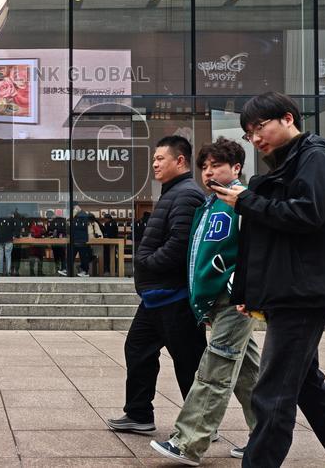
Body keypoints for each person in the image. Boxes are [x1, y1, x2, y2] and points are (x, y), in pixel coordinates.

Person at [212, 92, 325, 468]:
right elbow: (270, 240)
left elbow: (307, 215)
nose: (256, 138)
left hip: (304, 293)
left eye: (260, 127)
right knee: (307, 387)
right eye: (249, 133)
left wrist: (247, 202)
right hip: (290, 290)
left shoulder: (315, 157)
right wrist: (250, 292)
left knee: (273, 392)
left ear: (288, 118)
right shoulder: (286, 165)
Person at [149, 137, 260, 465]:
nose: (209, 173)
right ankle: (267, 434)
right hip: (220, 300)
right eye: (206, 167)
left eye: (217, 166)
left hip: (236, 299)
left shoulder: (243, 203)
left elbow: (254, 252)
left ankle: (188, 442)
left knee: (215, 368)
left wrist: (240, 291)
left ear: (236, 168)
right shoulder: (211, 204)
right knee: (248, 372)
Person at [107, 135, 206, 435]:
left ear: (180, 161)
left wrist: (146, 261)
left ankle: (201, 425)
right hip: (155, 298)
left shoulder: (187, 194)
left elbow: (180, 246)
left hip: (175, 296)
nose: (155, 164)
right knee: (137, 349)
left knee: (188, 362)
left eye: (160, 158)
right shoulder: (173, 193)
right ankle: (139, 414)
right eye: (154, 159)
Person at [70, 205, 92, 277]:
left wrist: (75, 212)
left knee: (82, 256)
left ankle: (85, 271)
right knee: (75, 256)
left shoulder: (82, 215)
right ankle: (82, 271)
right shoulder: (79, 215)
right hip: (77, 239)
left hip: (80, 239)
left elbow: (70, 221)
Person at [0, 210, 17, 276]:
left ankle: (0, 272)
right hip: (8, 239)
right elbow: (15, 228)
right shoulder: (12, 219)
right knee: (8, 256)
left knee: (0, 256)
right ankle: (8, 272)